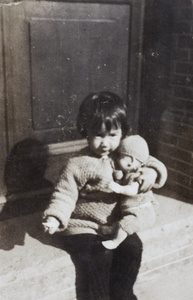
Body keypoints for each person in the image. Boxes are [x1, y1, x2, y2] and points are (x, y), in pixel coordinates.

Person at [42, 91, 167, 300]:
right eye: (98, 135)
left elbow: (147, 159)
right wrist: (55, 216)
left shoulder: (124, 153)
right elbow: (64, 193)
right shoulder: (78, 163)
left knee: (133, 247)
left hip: (114, 223)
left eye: (112, 135)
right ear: (86, 132)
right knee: (97, 256)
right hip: (82, 224)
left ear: (123, 134)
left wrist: (151, 172)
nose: (105, 143)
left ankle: (122, 293)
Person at [102, 135, 159, 250]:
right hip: (131, 209)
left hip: (141, 212)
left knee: (126, 225)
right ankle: (112, 229)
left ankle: (115, 242)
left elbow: (133, 190)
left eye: (121, 157)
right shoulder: (127, 172)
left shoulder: (139, 175)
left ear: (131, 161)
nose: (117, 159)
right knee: (121, 222)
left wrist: (119, 188)